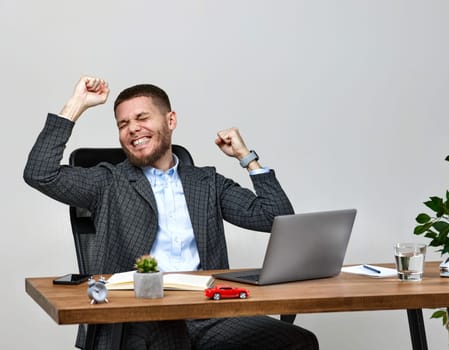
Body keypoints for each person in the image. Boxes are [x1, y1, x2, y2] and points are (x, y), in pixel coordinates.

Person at [24, 76, 319, 350]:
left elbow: (276, 218)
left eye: (141, 118)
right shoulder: (107, 182)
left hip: (206, 313)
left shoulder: (206, 182)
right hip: (138, 318)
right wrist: (76, 105)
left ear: (170, 120)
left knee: (298, 341)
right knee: (171, 338)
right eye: (122, 124)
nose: (132, 129)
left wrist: (246, 157)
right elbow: (39, 173)